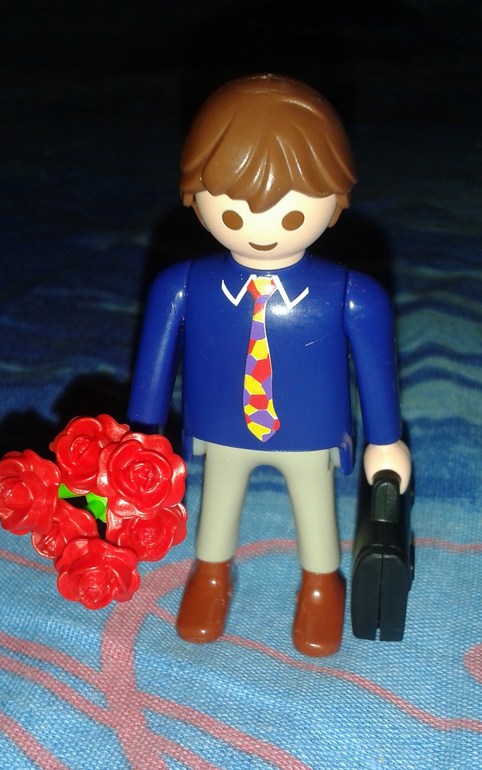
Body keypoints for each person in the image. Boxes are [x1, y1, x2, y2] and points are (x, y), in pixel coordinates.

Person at [128, 74, 411, 656]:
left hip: (309, 431)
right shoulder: (183, 286)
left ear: (336, 199)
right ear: (195, 196)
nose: (260, 232)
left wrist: (385, 442)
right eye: (234, 215)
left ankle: (320, 584)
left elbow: (376, 374)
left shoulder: (350, 295)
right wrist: (141, 436)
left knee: (315, 511)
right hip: (221, 426)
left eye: (289, 216)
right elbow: (152, 368)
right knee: (218, 504)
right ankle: (211, 573)